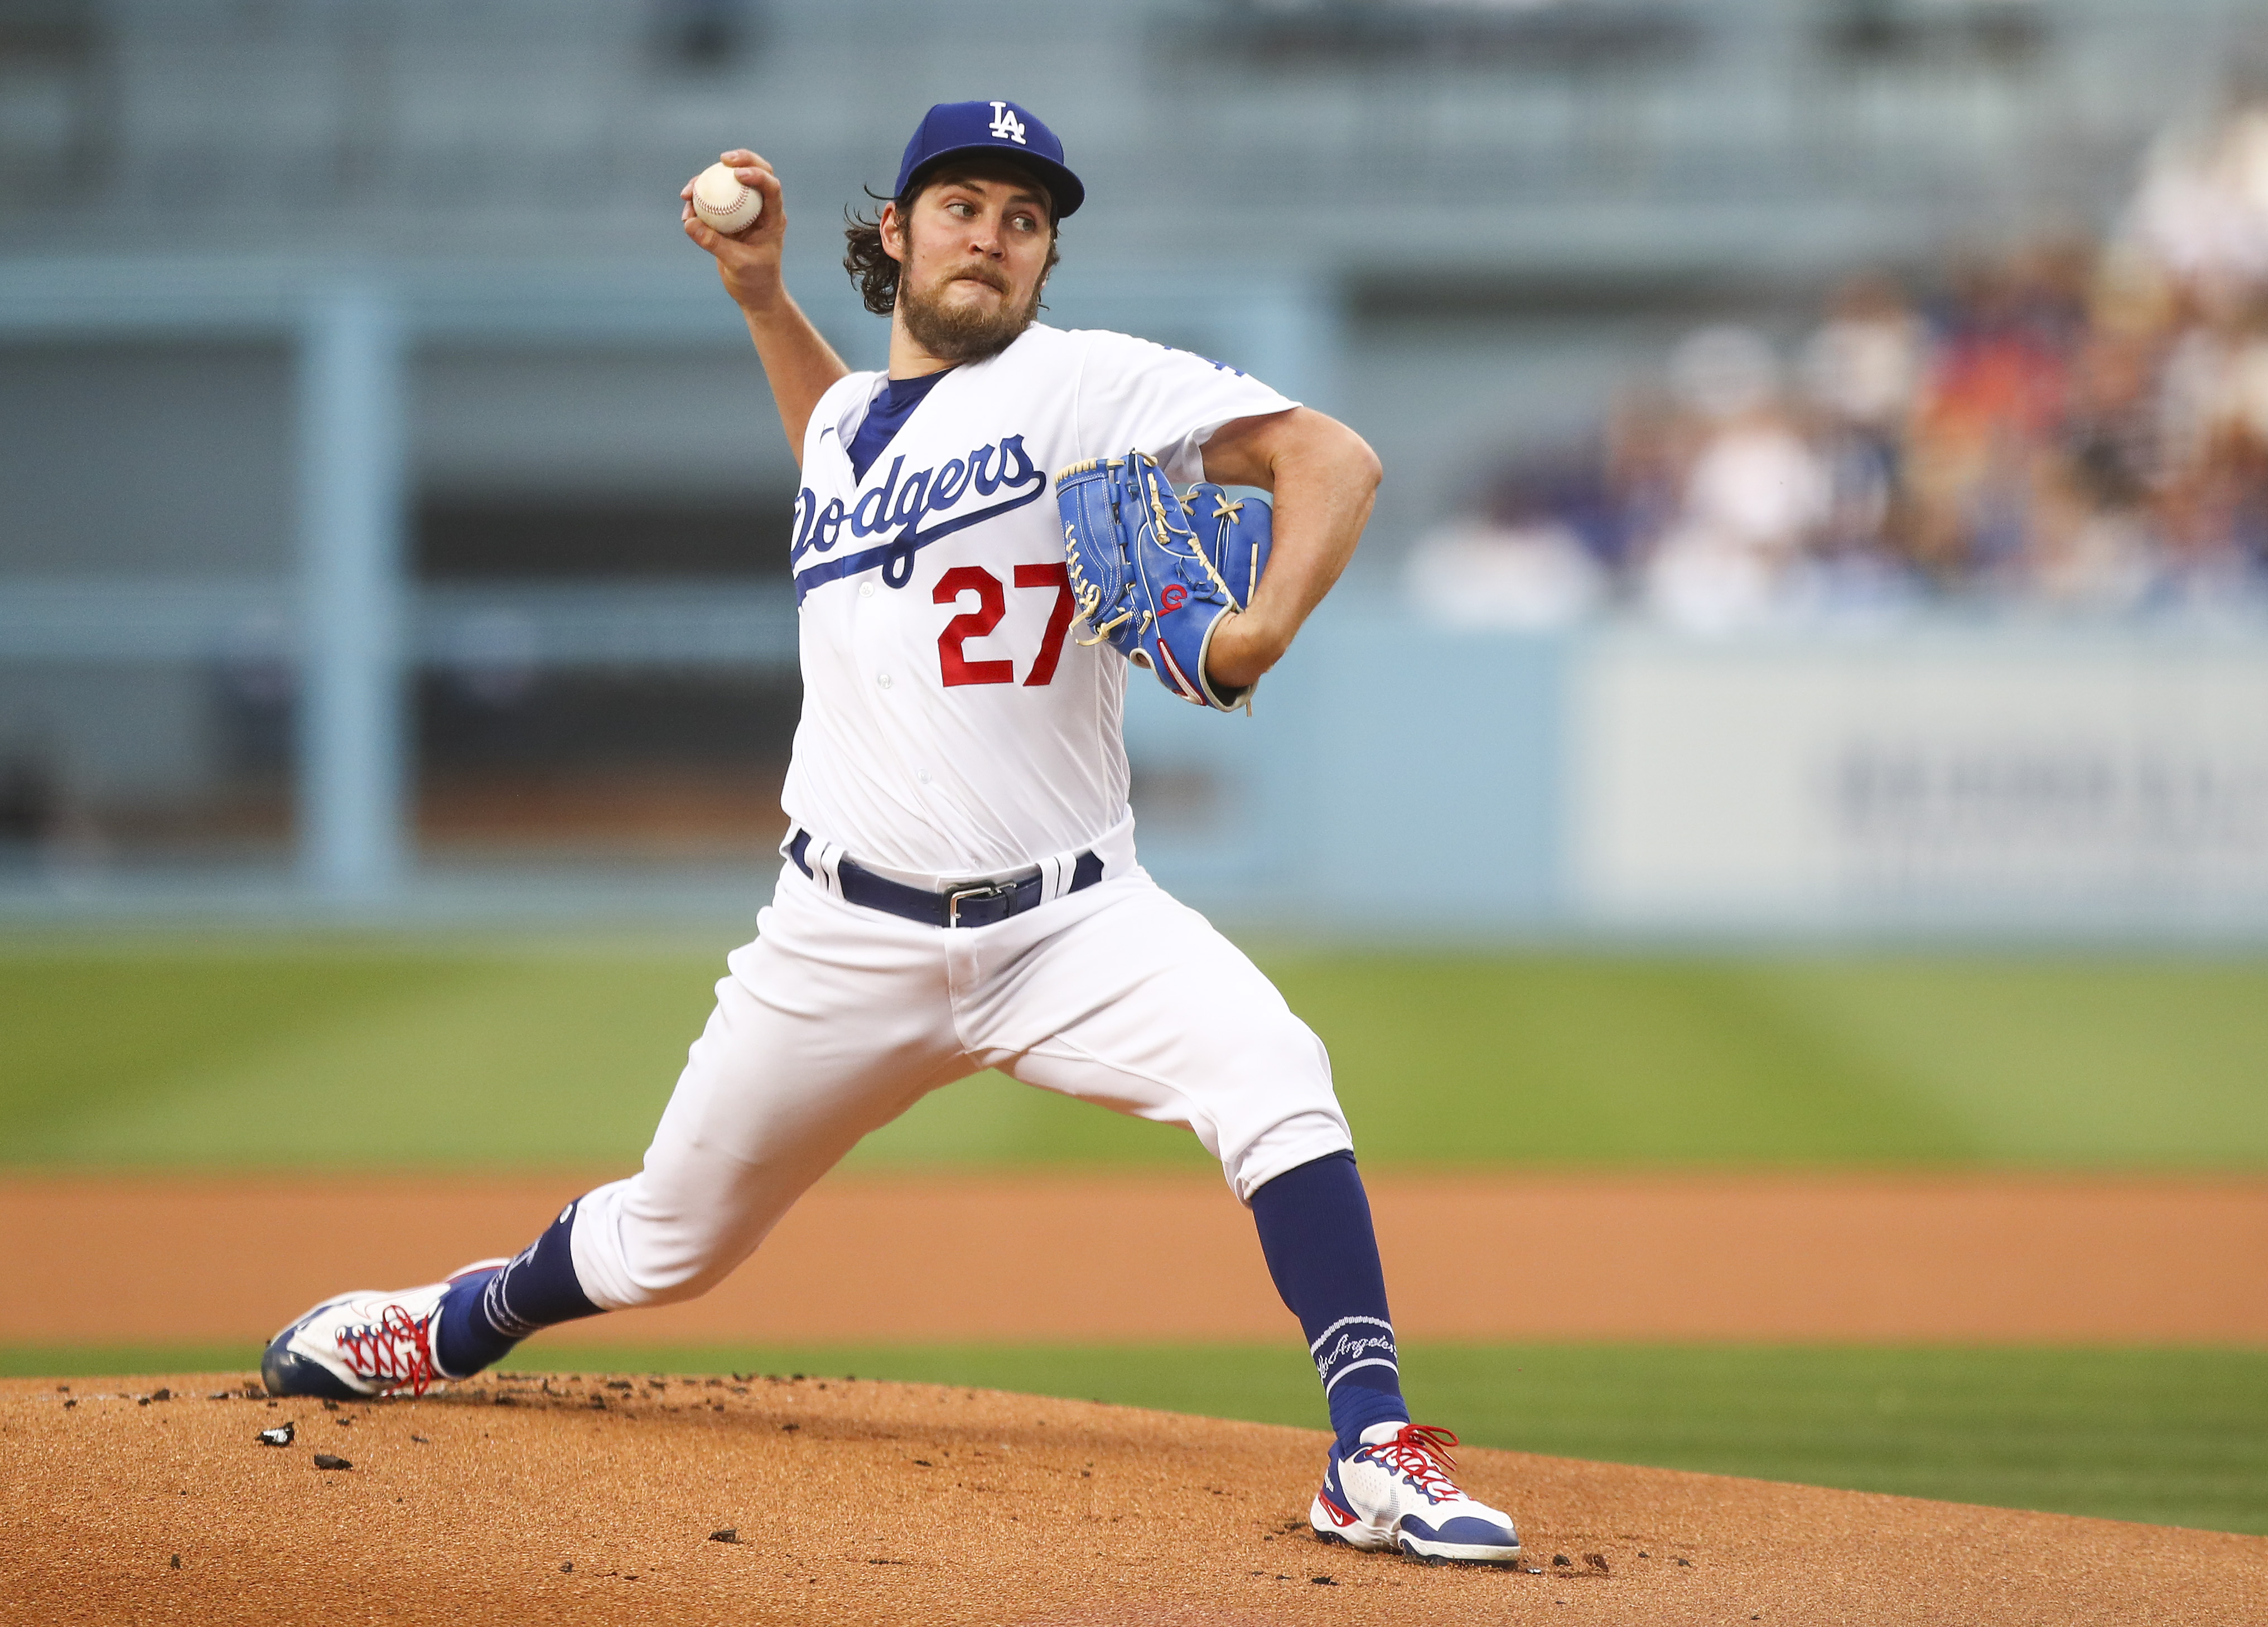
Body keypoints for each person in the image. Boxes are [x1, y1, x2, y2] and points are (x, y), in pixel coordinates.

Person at [259, 99, 1521, 1567]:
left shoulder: (1090, 385)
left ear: (1047, 263)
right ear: (897, 233)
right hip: (841, 935)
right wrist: (760, 300)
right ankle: (447, 1326)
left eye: (1026, 218)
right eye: (965, 204)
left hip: (1072, 923)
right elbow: (837, 457)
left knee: (1275, 1072)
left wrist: (1250, 637)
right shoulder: (857, 421)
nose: (994, 234)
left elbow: (1337, 462)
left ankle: (1372, 1445)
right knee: (669, 1242)